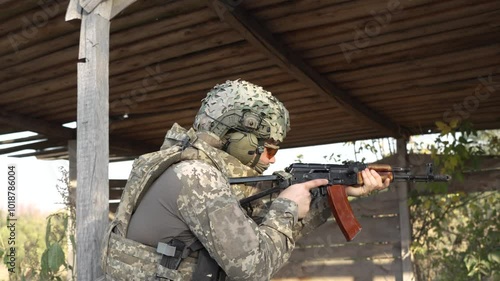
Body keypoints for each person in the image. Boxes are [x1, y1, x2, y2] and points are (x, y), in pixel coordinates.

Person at [100, 79, 390, 281]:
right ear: (237, 135)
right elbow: (253, 268)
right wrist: (286, 208)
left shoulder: (183, 166)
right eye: (269, 148)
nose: (271, 159)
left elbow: (257, 236)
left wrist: (334, 194)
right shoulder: (197, 177)